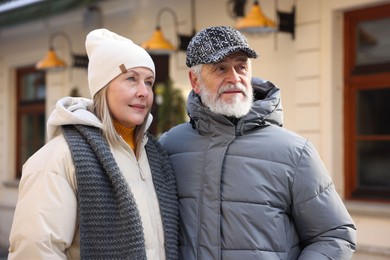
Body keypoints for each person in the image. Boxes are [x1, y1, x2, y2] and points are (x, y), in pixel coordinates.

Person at [159, 26, 356, 259]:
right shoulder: (169, 147)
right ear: (195, 80)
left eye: (241, 66)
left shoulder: (294, 152)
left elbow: (334, 235)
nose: (234, 78)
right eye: (220, 68)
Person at [8, 28, 178, 260]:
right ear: (102, 88)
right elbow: (35, 251)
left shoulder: (154, 156)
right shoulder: (60, 158)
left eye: (148, 82)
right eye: (131, 79)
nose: (143, 92)